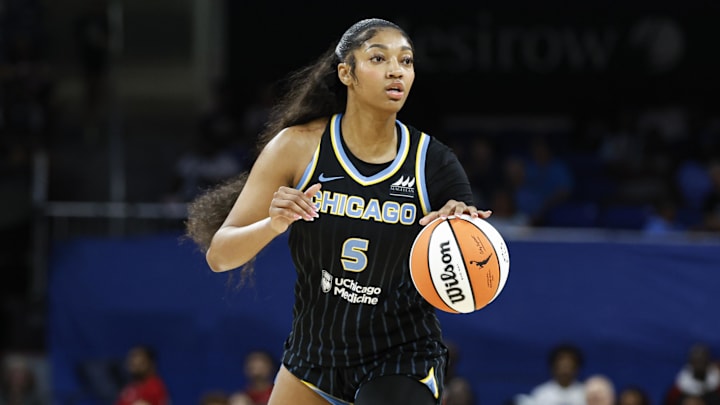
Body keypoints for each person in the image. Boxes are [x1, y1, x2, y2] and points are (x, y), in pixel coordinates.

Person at [185, 18, 490, 405]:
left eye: (406, 61)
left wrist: (462, 225)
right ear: (346, 72)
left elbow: (470, 260)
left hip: (401, 355)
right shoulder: (296, 147)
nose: (396, 70)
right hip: (314, 356)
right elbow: (220, 255)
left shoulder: (434, 163)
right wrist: (273, 224)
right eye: (378, 58)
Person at [514, 343, 586, 405]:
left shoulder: (585, 393)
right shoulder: (541, 393)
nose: (565, 371)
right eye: (562, 367)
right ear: (553, 367)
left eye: (569, 367)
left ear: (577, 368)